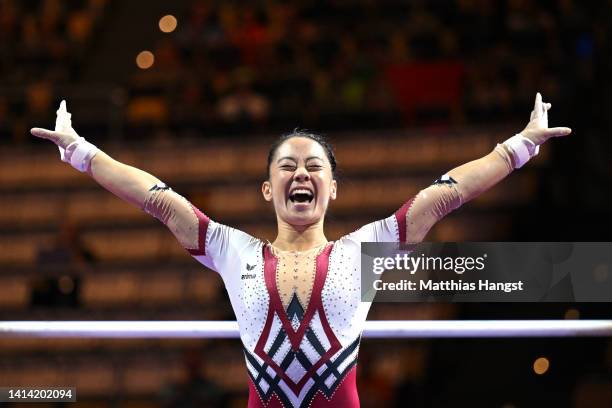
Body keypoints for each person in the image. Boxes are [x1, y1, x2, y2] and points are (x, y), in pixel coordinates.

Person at [31, 94, 571, 407]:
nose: (301, 174)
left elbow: (447, 194)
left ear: (334, 188)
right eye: (286, 166)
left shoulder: (366, 251)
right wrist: (79, 151)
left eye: (314, 166)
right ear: (268, 189)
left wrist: (520, 146)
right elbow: (156, 197)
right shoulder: (232, 250)